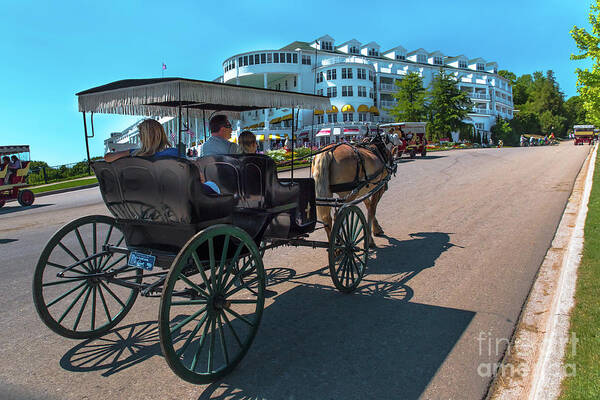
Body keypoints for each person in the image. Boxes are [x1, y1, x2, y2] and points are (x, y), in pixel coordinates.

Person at [105, 119, 219, 194]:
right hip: (178, 196)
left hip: (150, 198)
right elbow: (195, 175)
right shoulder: (174, 153)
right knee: (212, 185)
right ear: (161, 134)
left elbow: (108, 157)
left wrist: (129, 152)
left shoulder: (135, 154)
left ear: (142, 137)